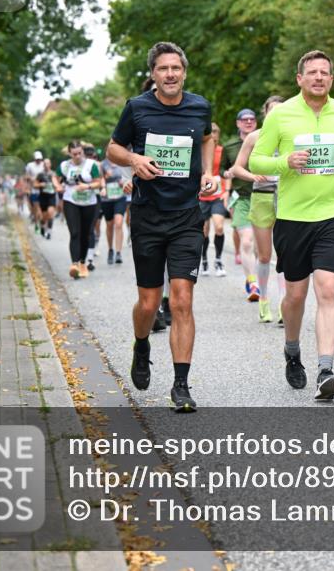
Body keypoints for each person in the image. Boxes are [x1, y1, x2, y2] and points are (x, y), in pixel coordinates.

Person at [108, 42, 216, 413]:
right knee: (149, 303)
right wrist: (133, 159)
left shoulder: (199, 106)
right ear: (153, 74)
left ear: (184, 72)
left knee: (182, 299)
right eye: (163, 69)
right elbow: (113, 148)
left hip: (187, 217)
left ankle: (181, 385)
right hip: (148, 215)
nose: (170, 74)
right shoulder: (137, 108)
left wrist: (208, 172)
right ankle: (141, 345)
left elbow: (207, 137)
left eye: (176, 68)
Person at [250, 50, 334, 400]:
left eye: (324, 72)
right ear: (299, 78)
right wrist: (285, 161)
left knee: (328, 290)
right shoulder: (281, 115)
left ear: (331, 79)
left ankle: (325, 370)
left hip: (332, 216)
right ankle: (292, 349)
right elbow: (256, 160)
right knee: (295, 296)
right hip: (292, 219)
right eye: (312, 72)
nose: (318, 77)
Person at [229, 95, 287, 323]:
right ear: (266, 113)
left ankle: (283, 304)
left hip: (287, 198)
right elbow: (237, 168)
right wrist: (253, 176)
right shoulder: (255, 137)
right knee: (264, 255)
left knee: (285, 255)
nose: (277, 114)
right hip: (262, 197)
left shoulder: (292, 135)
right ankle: (263, 299)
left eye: (281, 111)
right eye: (272, 110)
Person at [222, 108, 262, 300]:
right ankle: (253, 283)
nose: (248, 122)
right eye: (244, 119)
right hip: (241, 198)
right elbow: (222, 169)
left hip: (264, 196)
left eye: (251, 119)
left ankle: (259, 277)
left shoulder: (265, 141)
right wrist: (226, 174)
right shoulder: (230, 146)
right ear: (238, 123)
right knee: (246, 241)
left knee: (261, 247)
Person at [58, 140, 104, 279]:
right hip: (70, 200)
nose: (77, 156)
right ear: (69, 153)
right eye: (74, 154)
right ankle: (74, 264)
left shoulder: (91, 165)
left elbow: (98, 183)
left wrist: (87, 186)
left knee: (86, 234)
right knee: (74, 233)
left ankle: (83, 263)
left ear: (83, 151)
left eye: (79, 153)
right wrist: (58, 186)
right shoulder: (64, 165)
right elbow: (55, 177)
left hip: (89, 203)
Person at [198, 123, 227, 275]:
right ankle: (204, 260)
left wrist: (226, 191)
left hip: (218, 195)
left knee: (219, 226)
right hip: (203, 195)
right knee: (204, 230)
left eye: (216, 132)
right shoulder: (199, 151)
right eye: (211, 132)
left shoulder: (222, 151)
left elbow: (226, 171)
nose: (213, 135)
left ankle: (218, 260)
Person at [100, 153, 130, 265]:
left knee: (118, 222)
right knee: (109, 225)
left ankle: (118, 252)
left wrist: (124, 182)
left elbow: (128, 177)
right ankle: (110, 250)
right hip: (107, 199)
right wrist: (103, 187)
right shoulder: (103, 164)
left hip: (120, 197)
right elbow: (100, 178)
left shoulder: (122, 163)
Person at [36, 159, 58, 239]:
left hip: (51, 196)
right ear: (43, 165)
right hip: (43, 196)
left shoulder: (54, 174)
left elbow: (58, 184)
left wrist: (55, 186)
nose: (46, 165)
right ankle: (42, 226)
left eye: (47, 163)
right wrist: (40, 185)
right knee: (44, 216)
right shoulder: (40, 174)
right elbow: (35, 184)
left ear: (50, 164)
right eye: (45, 163)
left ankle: (49, 232)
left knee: (50, 213)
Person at [25, 151, 46, 233]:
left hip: (43, 189)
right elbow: (26, 176)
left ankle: (41, 223)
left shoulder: (43, 165)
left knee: (42, 208)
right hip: (33, 189)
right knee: (35, 207)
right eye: (37, 159)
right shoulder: (30, 165)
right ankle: (36, 223)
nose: (38, 160)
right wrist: (31, 181)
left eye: (39, 159)